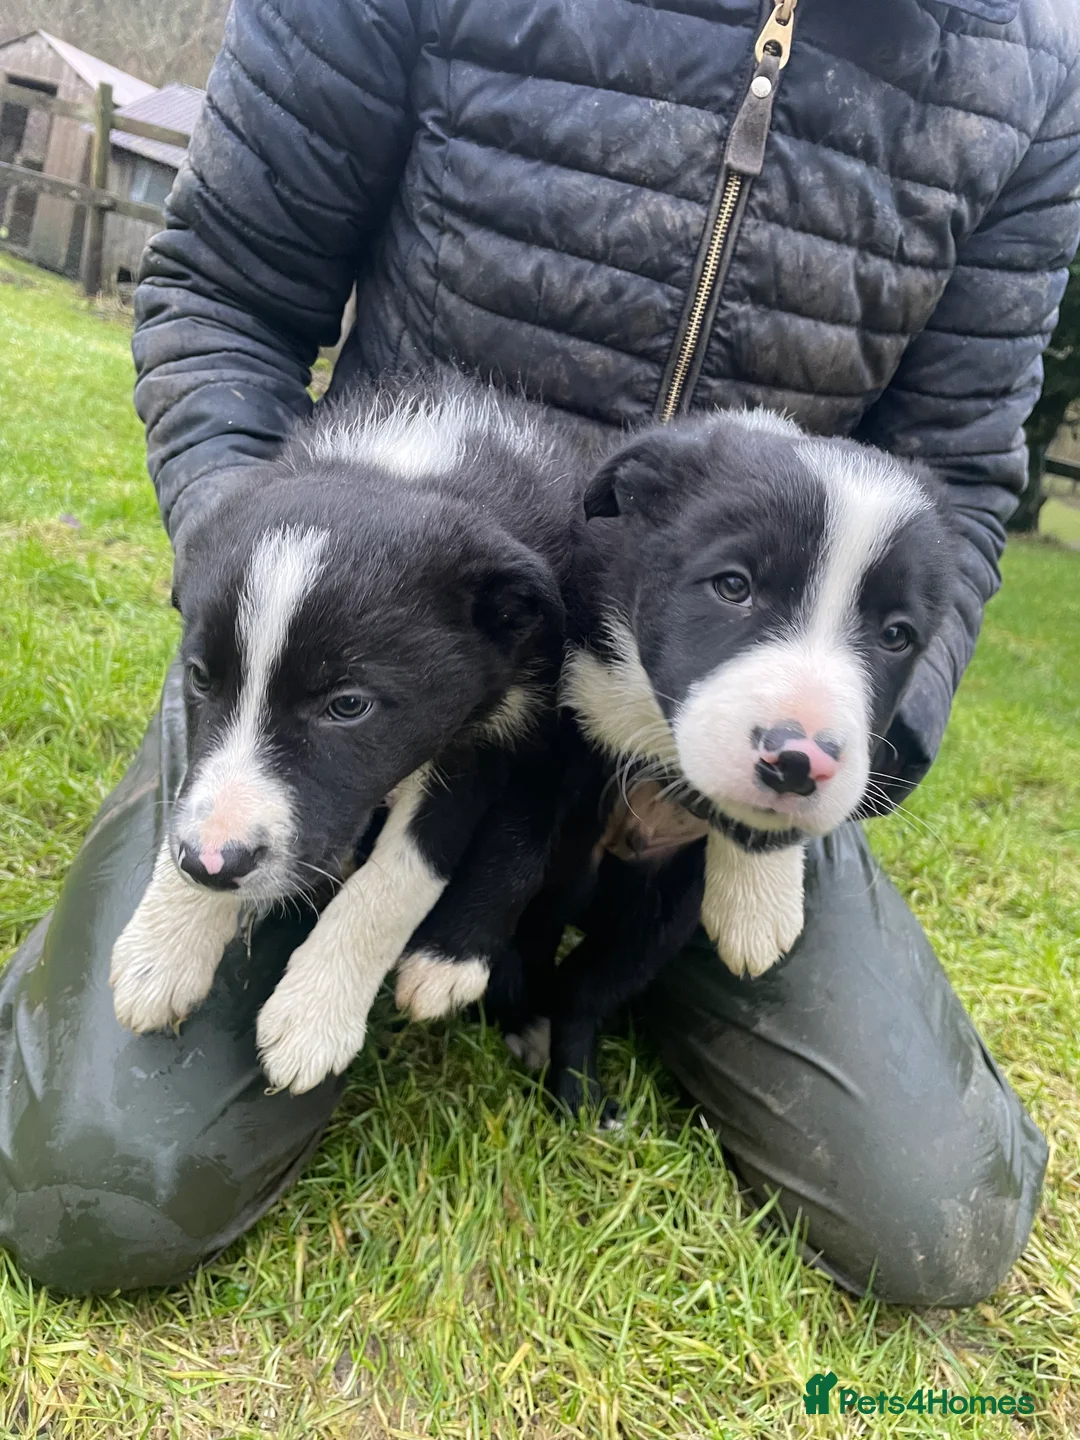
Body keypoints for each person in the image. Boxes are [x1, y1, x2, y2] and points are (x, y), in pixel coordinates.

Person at [1, 0, 1076, 1300]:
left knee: (936, 1216)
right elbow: (220, 290)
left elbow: (955, 471)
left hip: (721, 710)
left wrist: (832, 765)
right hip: (382, 632)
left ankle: (606, 922)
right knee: (95, 1193)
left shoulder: (1021, 70)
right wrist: (256, 563)